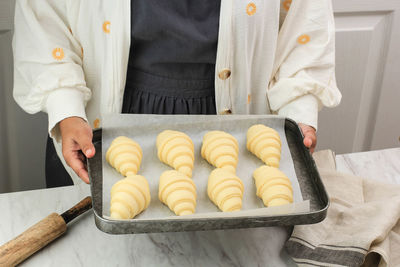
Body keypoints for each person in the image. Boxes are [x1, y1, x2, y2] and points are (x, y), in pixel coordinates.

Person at [12, 0, 341, 187]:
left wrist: (300, 113)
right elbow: (44, 18)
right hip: (96, 128)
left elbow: (304, 24)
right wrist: (66, 110)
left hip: (231, 130)